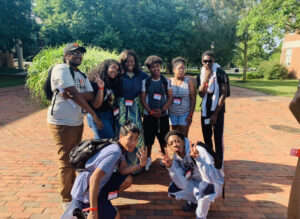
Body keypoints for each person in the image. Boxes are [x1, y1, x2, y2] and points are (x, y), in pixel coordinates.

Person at [47, 43, 103, 209]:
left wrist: (73, 95)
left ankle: (72, 191)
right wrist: (92, 113)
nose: (79, 55)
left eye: (80, 53)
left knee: (74, 157)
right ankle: (66, 199)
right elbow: (75, 92)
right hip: (61, 122)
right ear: (66, 55)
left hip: (77, 121)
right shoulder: (61, 68)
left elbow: (90, 95)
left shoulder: (81, 74)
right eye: (74, 53)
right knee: (65, 160)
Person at [61, 122, 147, 219]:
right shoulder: (115, 152)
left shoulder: (118, 146)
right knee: (116, 216)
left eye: (136, 138)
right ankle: (89, 209)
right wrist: (93, 210)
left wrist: (140, 165)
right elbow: (94, 179)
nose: (134, 142)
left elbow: (122, 170)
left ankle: (103, 201)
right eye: (130, 138)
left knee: (128, 179)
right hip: (84, 194)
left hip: (97, 186)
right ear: (121, 136)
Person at [161, 130, 224, 219]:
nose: (174, 144)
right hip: (197, 182)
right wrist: (170, 167)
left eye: (177, 141)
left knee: (204, 187)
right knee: (174, 189)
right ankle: (195, 200)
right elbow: (181, 184)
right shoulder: (176, 158)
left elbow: (210, 178)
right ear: (169, 147)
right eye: (171, 144)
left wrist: (198, 159)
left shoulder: (198, 150)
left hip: (214, 183)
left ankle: (201, 216)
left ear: (183, 141)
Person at [118, 50, 148, 174]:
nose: (130, 64)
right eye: (127, 62)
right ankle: (121, 166)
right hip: (121, 109)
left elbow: (152, 82)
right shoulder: (119, 75)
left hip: (135, 108)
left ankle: (137, 166)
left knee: (137, 135)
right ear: (123, 63)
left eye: (132, 61)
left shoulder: (141, 75)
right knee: (122, 136)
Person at [141, 55, 173, 171]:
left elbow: (170, 98)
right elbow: (143, 99)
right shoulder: (146, 82)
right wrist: (151, 111)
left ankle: (165, 158)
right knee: (148, 139)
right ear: (149, 69)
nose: (155, 69)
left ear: (161, 67)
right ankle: (148, 159)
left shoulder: (166, 81)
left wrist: (162, 110)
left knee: (163, 139)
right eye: (153, 67)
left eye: (158, 66)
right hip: (149, 115)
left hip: (163, 115)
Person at [197, 50, 228, 165]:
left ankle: (219, 163)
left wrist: (215, 114)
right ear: (202, 62)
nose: (207, 63)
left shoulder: (220, 73)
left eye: (210, 61)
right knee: (207, 137)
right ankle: (210, 159)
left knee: (218, 138)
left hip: (217, 110)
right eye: (205, 61)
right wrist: (205, 78)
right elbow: (201, 94)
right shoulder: (200, 75)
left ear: (213, 61)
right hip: (205, 110)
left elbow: (224, 94)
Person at [86, 59, 122, 139]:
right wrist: (101, 88)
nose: (115, 71)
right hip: (98, 115)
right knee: (107, 141)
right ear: (106, 67)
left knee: (105, 140)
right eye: (113, 68)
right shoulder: (94, 81)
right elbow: (96, 105)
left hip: (109, 114)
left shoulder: (112, 81)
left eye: (117, 70)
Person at [169, 57, 196, 137]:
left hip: (185, 113)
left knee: (184, 136)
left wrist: (190, 115)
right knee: (173, 136)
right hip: (172, 113)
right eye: (179, 68)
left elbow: (193, 99)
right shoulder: (169, 81)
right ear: (174, 69)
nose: (181, 70)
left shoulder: (189, 81)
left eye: (183, 69)